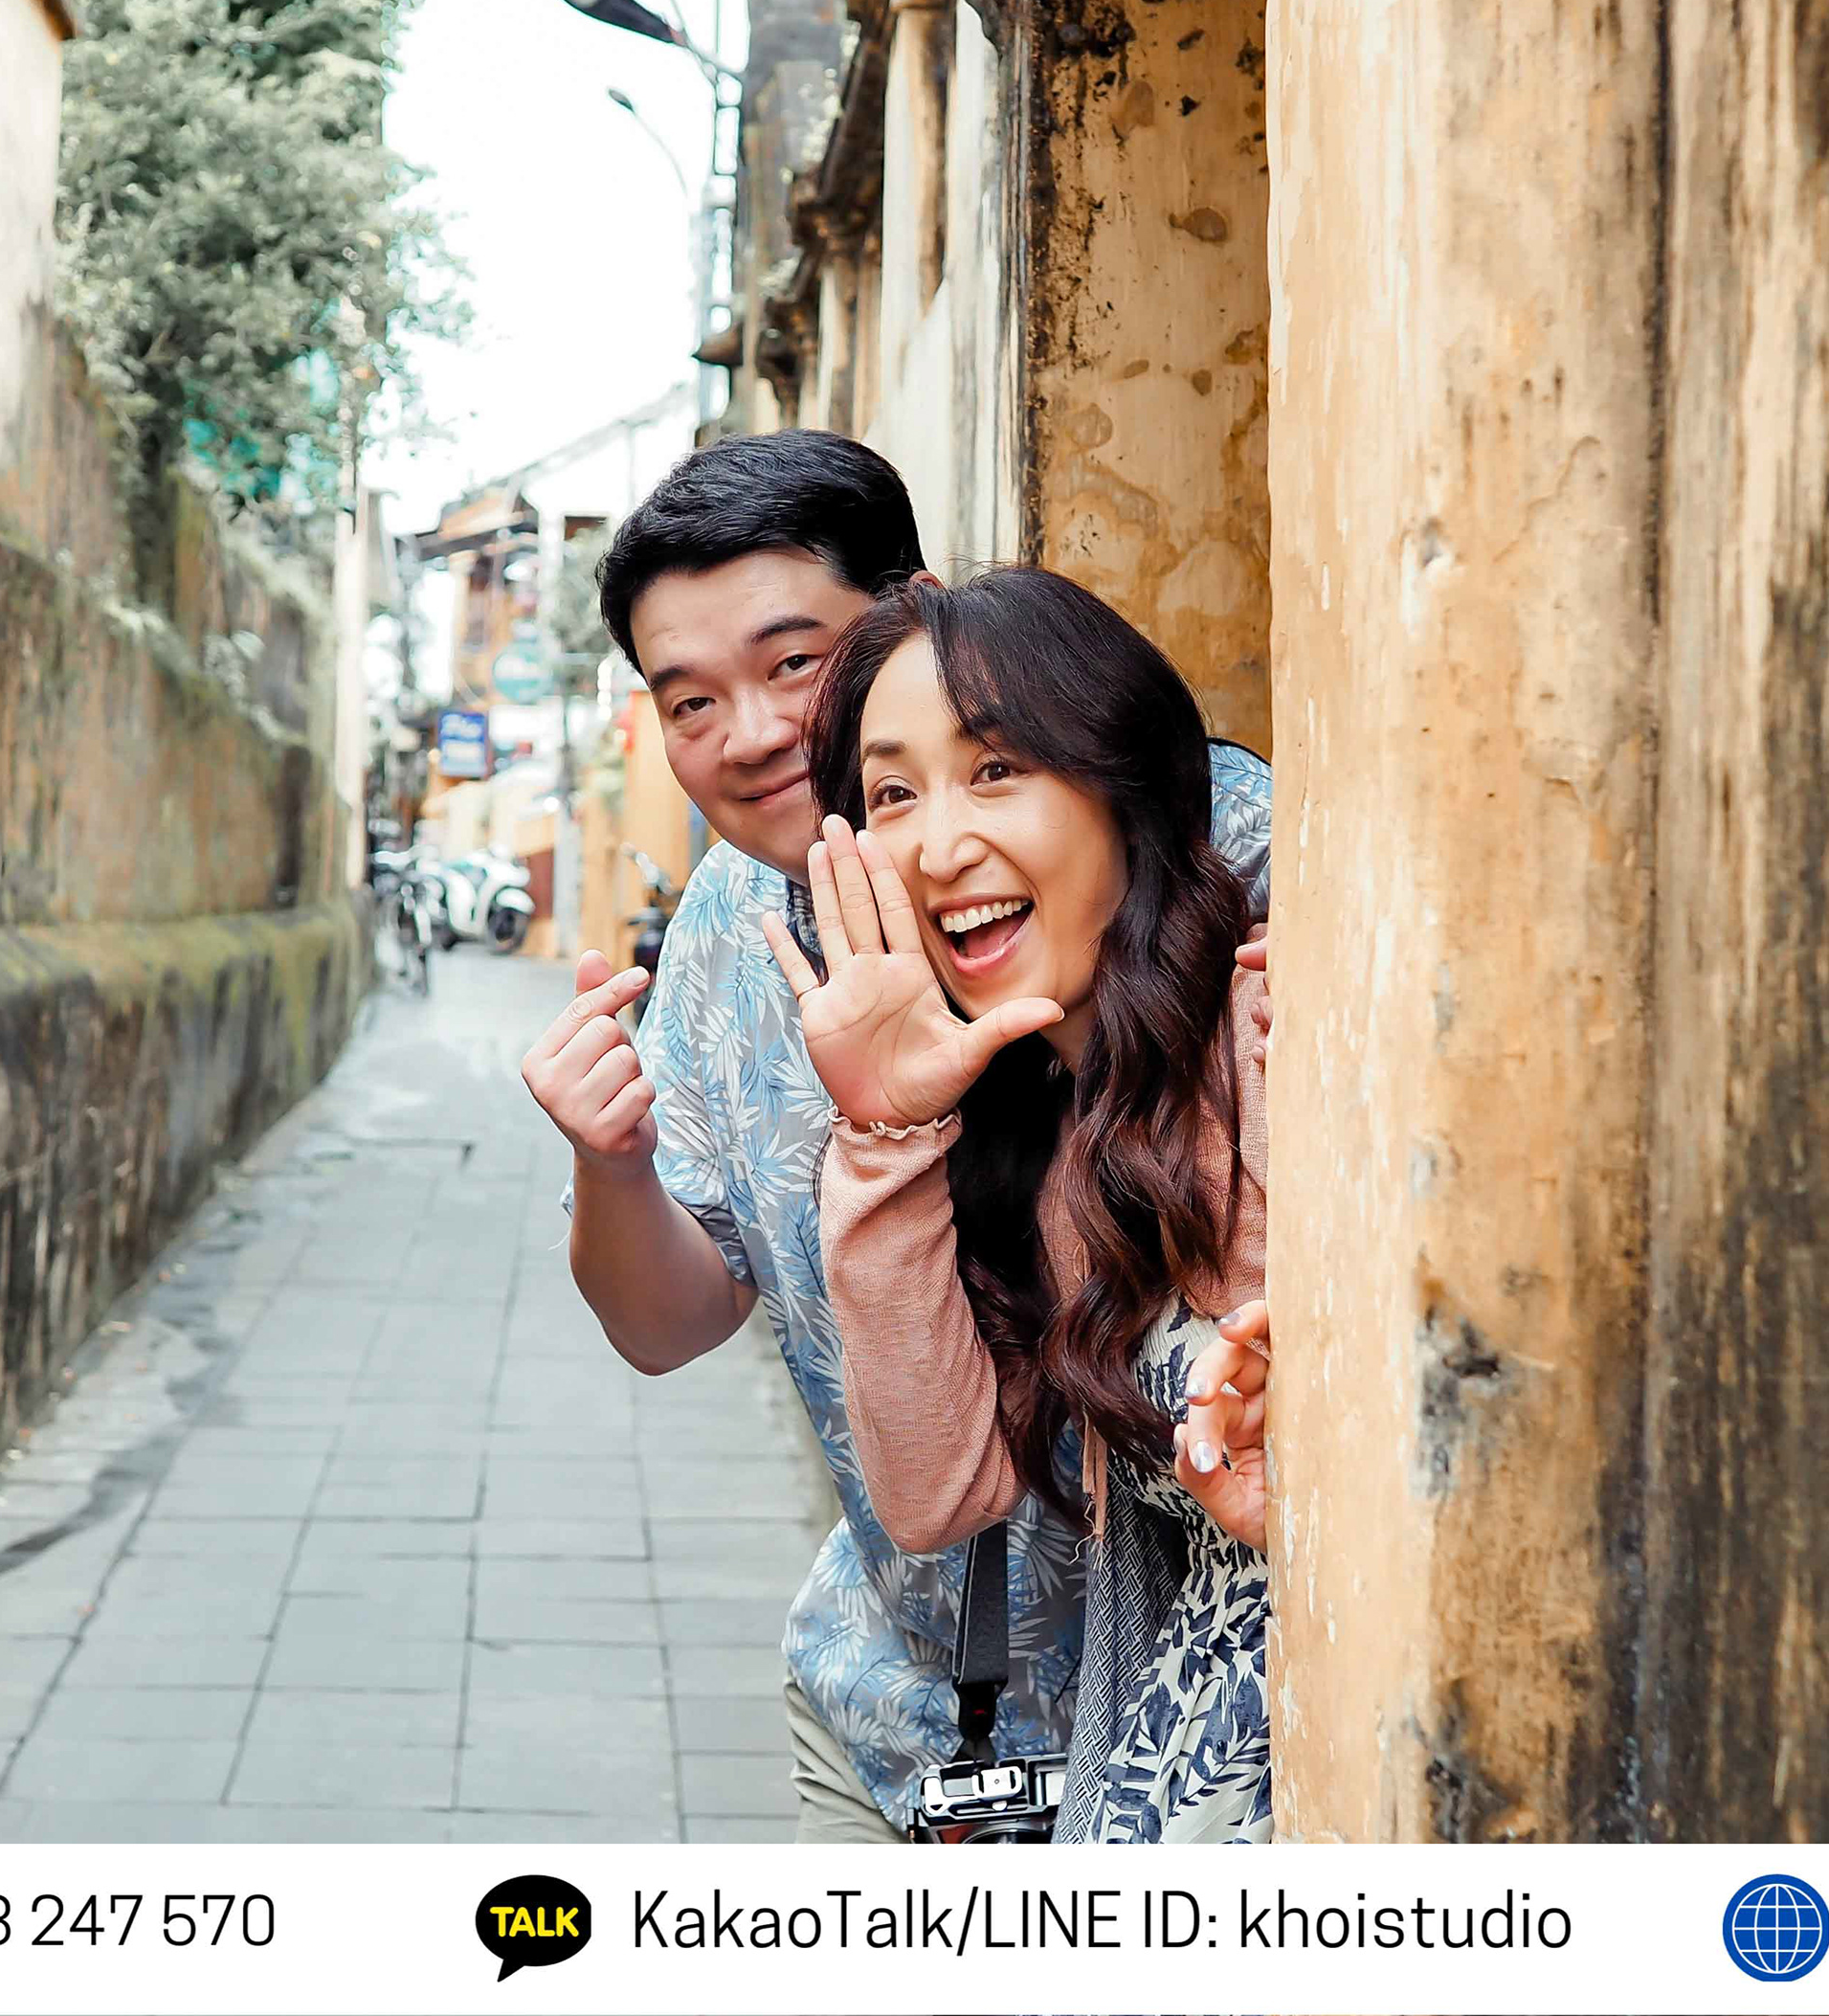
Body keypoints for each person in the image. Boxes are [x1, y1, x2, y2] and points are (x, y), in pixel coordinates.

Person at [516, 432, 1269, 1841]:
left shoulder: (1208, 880)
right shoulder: (732, 934)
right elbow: (669, 1326)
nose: (750, 736)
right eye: (689, 701)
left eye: (794, 663)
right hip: (895, 1720)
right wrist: (608, 1167)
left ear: (912, 617)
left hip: (1184, 1746)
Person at [755, 569, 1280, 1843]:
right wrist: (885, 1133)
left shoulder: (1277, 1031)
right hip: (1160, 1803)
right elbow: (939, 1500)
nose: (937, 846)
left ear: (1125, 786)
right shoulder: (1046, 1121)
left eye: (997, 769)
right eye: (891, 794)